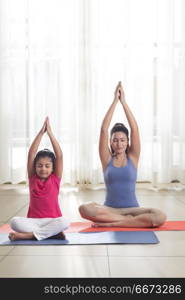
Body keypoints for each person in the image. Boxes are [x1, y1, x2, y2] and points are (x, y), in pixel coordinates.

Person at [79, 81, 166, 228]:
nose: (119, 144)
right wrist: (114, 101)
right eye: (115, 140)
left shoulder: (133, 157)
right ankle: (126, 222)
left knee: (160, 216)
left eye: (122, 140)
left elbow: (135, 129)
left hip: (133, 209)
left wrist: (123, 102)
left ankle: (115, 223)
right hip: (109, 209)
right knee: (84, 208)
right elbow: (103, 129)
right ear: (111, 142)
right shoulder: (107, 159)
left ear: (127, 142)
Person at [9, 117, 70, 241]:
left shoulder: (55, 178)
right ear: (35, 167)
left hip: (53, 220)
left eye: (47, 166)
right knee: (14, 222)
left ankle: (31, 236)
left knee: (65, 222)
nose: (43, 169)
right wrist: (41, 133)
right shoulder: (32, 178)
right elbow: (31, 154)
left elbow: (59, 155)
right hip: (33, 222)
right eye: (39, 166)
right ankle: (51, 234)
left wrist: (51, 134)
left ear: (53, 168)